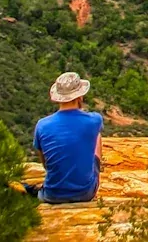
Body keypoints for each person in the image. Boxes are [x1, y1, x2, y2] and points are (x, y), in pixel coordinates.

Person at [29, 72, 103, 204]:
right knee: (96, 135)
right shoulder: (95, 120)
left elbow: (45, 162)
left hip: (52, 194)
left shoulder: (42, 125)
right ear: (80, 97)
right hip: (85, 193)